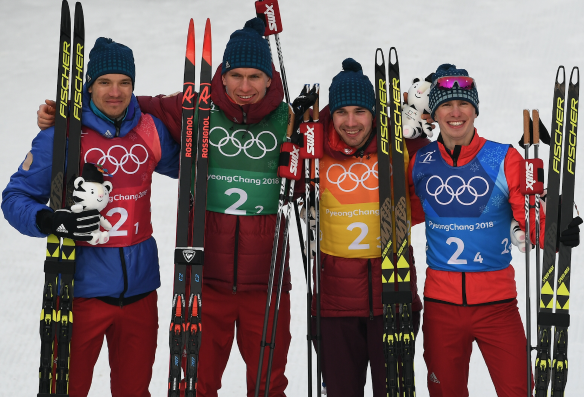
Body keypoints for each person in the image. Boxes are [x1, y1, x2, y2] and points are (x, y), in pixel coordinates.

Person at [37, 18, 294, 397]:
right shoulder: (192, 108)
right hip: (204, 280)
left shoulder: (291, 120)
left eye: (255, 76)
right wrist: (70, 110)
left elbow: (342, 139)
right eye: (235, 74)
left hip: (267, 280)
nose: (244, 86)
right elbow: (134, 105)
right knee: (199, 385)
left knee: (268, 386)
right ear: (220, 76)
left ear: (271, 78)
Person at [3, 37, 180, 397]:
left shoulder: (150, 130)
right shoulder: (63, 137)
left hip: (141, 291)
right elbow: (14, 197)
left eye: (124, 83)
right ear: (88, 86)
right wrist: (49, 220)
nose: (115, 92)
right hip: (78, 292)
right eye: (104, 82)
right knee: (68, 390)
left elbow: (199, 167)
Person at [408, 63, 580, 396]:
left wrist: (556, 233)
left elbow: (529, 217)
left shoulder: (504, 158)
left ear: (475, 110)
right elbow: (403, 212)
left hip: (497, 305)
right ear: (436, 111)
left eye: (464, 104)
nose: (455, 112)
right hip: (441, 306)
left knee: (517, 390)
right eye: (446, 104)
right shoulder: (420, 161)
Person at [303, 58, 427, 397]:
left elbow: (437, 190)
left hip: (394, 292)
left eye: (361, 111)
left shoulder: (403, 146)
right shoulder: (315, 151)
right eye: (342, 112)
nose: (351, 122)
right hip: (334, 304)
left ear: (375, 113)